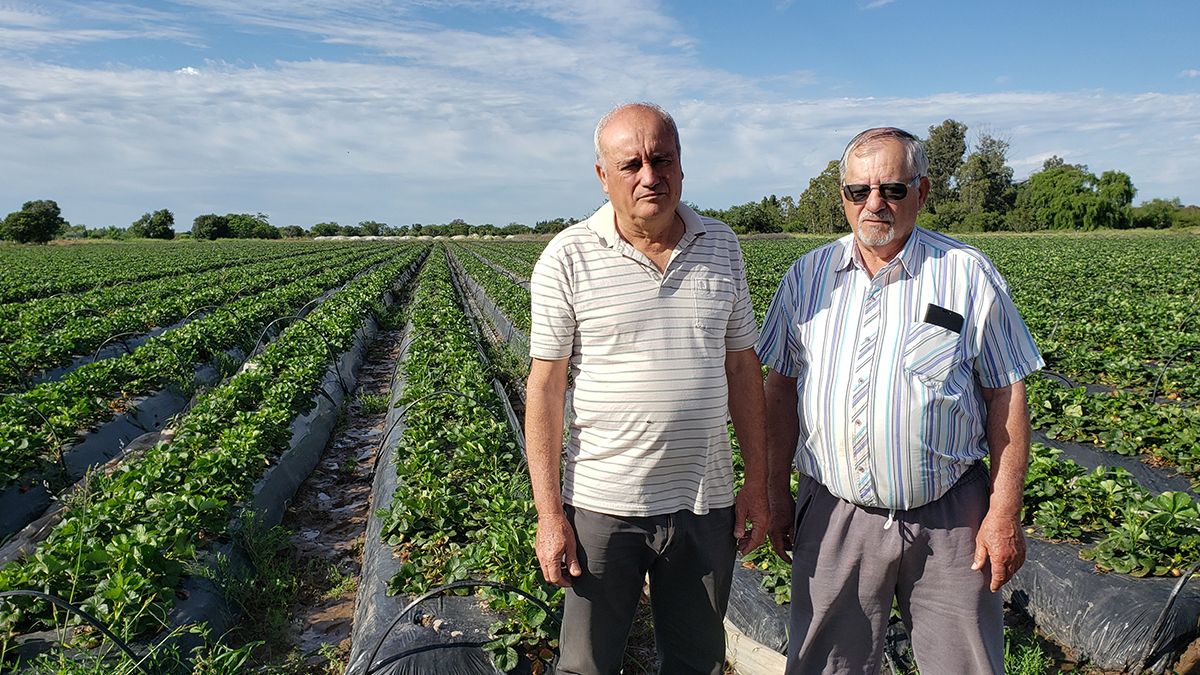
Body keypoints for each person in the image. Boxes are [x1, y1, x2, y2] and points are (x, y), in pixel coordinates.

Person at [757, 127, 1044, 674]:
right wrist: (774, 493)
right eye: (858, 191)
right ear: (841, 197)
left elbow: (1006, 391)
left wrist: (1004, 510)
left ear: (922, 191)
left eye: (891, 188)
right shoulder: (806, 277)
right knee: (826, 663)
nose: (874, 204)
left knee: (965, 664)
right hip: (836, 511)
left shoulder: (966, 273)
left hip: (951, 515)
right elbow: (780, 389)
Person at [524, 102, 769, 675]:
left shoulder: (722, 245)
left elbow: (742, 368)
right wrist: (549, 513)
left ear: (681, 165)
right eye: (630, 163)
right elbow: (545, 388)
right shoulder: (568, 256)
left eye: (661, 159)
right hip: (604, 505)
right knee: (587, 662)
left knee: (697, 658)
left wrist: (757, 482)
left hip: (704, 501)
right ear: (602, 175)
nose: (649, 176)